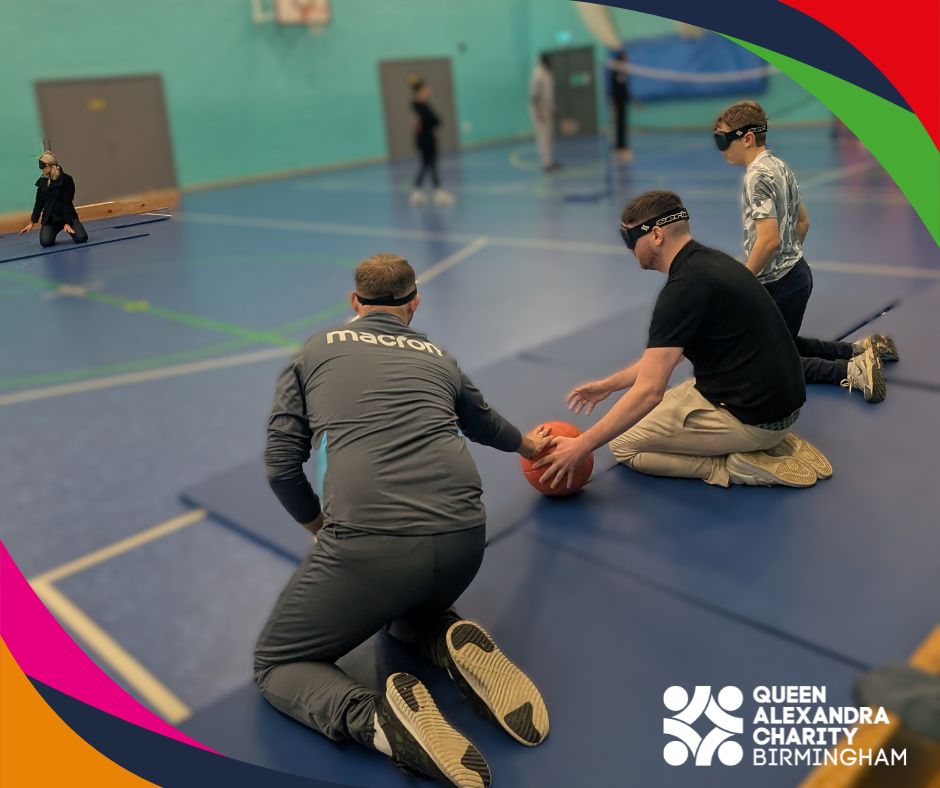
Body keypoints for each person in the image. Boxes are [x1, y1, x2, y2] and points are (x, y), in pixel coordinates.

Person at [255, 254, 550, 788]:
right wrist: (536, 447)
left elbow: (280, 466)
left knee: (278, 664)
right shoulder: (439, 358)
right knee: (400, 598)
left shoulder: (315, 351)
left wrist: (320, 529)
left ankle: (381, 723)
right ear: (414, 304)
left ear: (354, 303)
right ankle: (442, 636)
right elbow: (486, 425)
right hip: (464, 542)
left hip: (371, 551)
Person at [535, 190, 832, 492]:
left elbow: (650, 392)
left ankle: (732, 464)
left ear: (656, 235)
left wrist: (582, 445)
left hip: (755, 420)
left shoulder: (681, 292)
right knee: (664, 395)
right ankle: (769, 440)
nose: (629, 251)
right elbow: (668, 359)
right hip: (781, 405)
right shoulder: (715, 264)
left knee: (623, 444)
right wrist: (609, 385)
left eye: (630, 241)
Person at [713, 101, 898, 404]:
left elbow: (768, 240)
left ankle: (854, 369)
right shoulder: (780, 165)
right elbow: (803, 222)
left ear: (746, 138)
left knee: (766, 363)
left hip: (777, 284)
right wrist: (789, 261)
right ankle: (862, 349)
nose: (721, 148)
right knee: (783, 343)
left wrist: (743, 282)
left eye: (723, 139)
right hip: (798, 274)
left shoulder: (756, 177)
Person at [20, 151, 88, 247]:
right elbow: (39, 203)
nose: (41, 170)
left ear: (49, 166)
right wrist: (32, 222)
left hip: (67, 216)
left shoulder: (67, 180)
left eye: (42, 167)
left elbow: (67, 202)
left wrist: (67, 222)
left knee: (81, 238)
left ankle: (68, 224)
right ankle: (54, 230)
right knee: (45, 242)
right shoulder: (42, 182)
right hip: (50, 219)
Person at [409, 77, 455, 206]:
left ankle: (419, 192)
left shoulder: (423, 106)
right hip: (425, 140)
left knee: (427, 166)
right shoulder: (419, 106)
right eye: (425, 89)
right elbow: (434, 120)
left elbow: (436, 121)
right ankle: (437, 193)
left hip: (427, 138)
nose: (428, 91)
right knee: (430, 165)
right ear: (420, 91)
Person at [529, 54, 560, 172]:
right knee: (543, 137)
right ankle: (546, 163)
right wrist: (538, 113)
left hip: (548, 110)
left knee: (549, 136)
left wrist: (553, 109)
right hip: (540, 111)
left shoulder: (548, 73)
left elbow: (549, 95)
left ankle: (550, 160)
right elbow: (534, 96)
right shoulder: (537, 74)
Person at [608, 49, 633, 162]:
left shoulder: (624, 71)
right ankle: (618, 147)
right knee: (618, 125)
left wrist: (632, 99)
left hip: (623, 101)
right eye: (625, 57)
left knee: (622, 125)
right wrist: (615, 104)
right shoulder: (615, 71)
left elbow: (624, 89)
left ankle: (622, 146)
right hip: (617, 102)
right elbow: (615, 89)